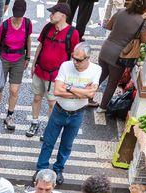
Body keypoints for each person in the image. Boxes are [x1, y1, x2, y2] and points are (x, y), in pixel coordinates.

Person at [36, 43, 100, 183]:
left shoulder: (96, 70)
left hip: (77, 114)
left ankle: (58, 168)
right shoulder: (66, 66)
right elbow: (57, 91)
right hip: (59, 110)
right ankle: (41, 168)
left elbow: (90, 94)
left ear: (88, 58)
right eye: (73, 58)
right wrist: (81, 92)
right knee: (48, 141)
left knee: (67, 145)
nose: (75, 62)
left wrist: (69, 87)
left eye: (78, 60)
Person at [28, 4, 80, 138]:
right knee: (37, 97)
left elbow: (75, 55)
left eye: (53, 13)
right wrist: (33, 64)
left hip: (56, 76)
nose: (50, 15)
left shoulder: (72, 33)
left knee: (52, 103)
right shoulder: (47, 28)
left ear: (63, 15)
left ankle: (49, 129)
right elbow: (40, 46)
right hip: (40, 70)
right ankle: (34, 122)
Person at [98, 0, 146, 111]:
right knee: (112, 83)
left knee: (99, 76)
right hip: (120, 55)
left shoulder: (120, 11)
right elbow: (145, 40)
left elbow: (108, 26)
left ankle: (86, 97)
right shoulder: (143, 22)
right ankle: (102, 107)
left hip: (105, 49)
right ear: (145, 8)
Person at [0, 0, 32, 131]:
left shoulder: (27, 23)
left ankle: (10, 115)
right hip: (3, 58)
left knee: (14, 90)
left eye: (20, 14)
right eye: (16, 14)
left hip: (19, 59)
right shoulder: (4, 25)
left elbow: (28, 40)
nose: (18, 17)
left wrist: (28, 57)